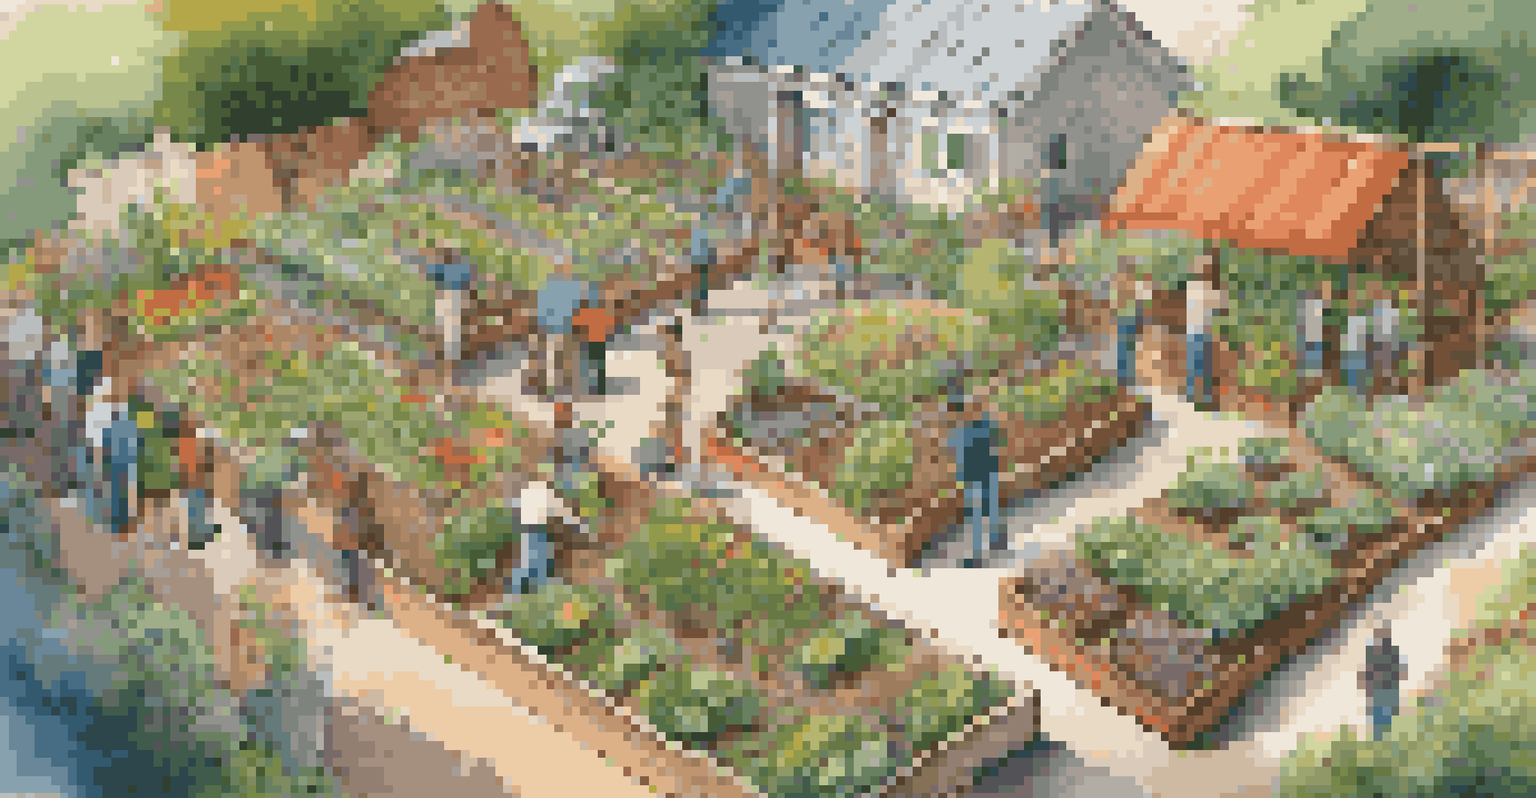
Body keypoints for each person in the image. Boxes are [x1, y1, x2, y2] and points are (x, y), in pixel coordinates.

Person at [946, 363, 1002, 566]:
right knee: (987, 505)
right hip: (985, 461)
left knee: (977, 511)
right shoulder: (980, 412)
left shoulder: (963, 419)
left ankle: (979, 552)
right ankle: (994, 541)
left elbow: (959, 445)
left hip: (976, 464)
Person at [531, 273, 589, 401]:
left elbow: (580, 306)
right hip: (555, 326)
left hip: (569, 327)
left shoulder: (575, 284)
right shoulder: (549, 284)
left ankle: (565, 388)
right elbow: (543, 306)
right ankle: (551, 388)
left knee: (565, 358)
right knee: (554, 358)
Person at [426, 250, 476, 384]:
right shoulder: (451, 267)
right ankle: (448, 366)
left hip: (451, 299)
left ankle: (450, 367)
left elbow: (468, 286)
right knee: (448, 332)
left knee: (451, 332)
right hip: (448, 298)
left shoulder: (450, 267)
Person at [1360, 625, 1406, 741]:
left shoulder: (1384, 652)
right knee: (1382, 721)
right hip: (1382, 691)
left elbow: (1399, 671)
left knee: (1384, 721)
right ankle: (1382, 741)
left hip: (1385, 691)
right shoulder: (1378, 652)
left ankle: (1383, 741)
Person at [570, 299, 615, 399]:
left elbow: (575, 327)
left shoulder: (583, 313)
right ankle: (600, 389)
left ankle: (583, 389)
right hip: (599, 342)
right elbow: (610, 328)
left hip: (586, 342)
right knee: (599, 366)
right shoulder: (603, 313)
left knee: (585, 365)